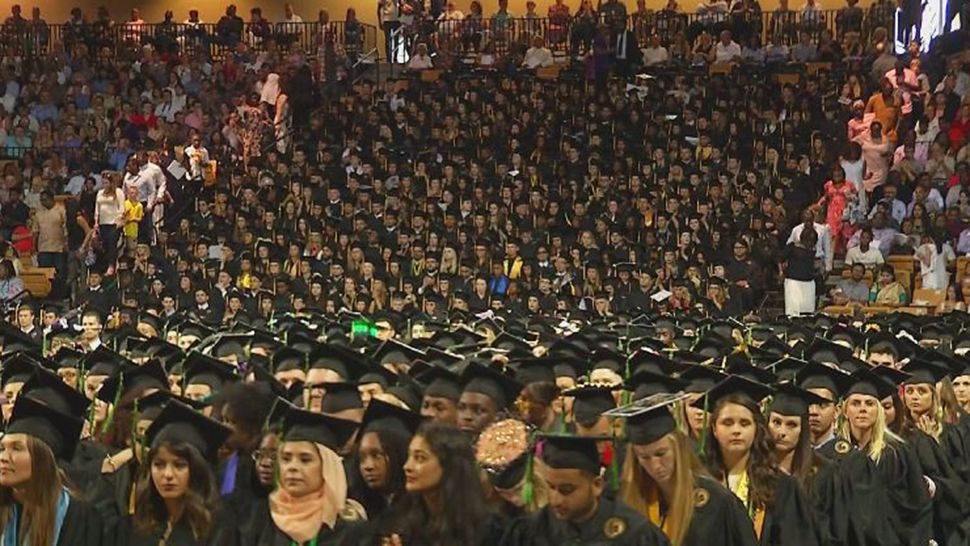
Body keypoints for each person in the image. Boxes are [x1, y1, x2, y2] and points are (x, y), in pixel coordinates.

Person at [618, 394, 758, 545]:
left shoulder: (717, 502)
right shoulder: (630, 499)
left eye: (661, 453)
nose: (655, 465)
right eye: (644, 457)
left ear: (677, 447)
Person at [699, 376, 819, 545]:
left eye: (744, 423)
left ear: (756, 428)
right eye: (727, 423)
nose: (736, 430)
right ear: (714, 429)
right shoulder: (697, 481)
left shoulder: (781, 486)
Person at [819, 368, 933, 544]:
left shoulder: (897, 452)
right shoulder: (832, 453)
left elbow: (918, 505)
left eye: (869, 404)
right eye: (856, 403)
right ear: (844, 410)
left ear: (878, 411)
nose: (862, 409)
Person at [501, 433, 669, 546]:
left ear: (597, 485)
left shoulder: (636, 534)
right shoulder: (531, 530)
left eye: (566, 490)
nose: (555, 500)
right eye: (550, 487)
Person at [245, 404, 364, 546]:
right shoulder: (262, 519)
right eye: (286, 459)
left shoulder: (351, 530)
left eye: (305, 459)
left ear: (328, 467)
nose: (292, 467)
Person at [125, 400, 236, 546]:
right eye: (159, 465)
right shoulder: (140, 523)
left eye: (179, 465)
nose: (168, 474)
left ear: (196, 470)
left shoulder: (216, 527)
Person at [0, 395, 103, 544]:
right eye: (1, 448)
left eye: (17, 448)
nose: (3, 457)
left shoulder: (79, 516)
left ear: (43, 460)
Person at [381, 422, 504, 545]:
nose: (407, 466)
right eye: (409, 456)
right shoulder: (403, 526)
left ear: (449, 466)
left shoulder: (492, 531)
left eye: (420, 458)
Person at [351, 399, 420, 521]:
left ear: (399, 455)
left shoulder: (420, 507)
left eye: (376, 455)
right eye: (362, 457)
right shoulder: (358, 508)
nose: (368, 466)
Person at [781, 224, 819, 317]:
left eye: (812, 240)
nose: (809, 242)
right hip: (793, 282)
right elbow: (779, 259)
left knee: (807, 310)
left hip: (808, 282)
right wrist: (781, 272)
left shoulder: (813, 250)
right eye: (808, 239)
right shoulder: (792, 247)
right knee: (793, 309)